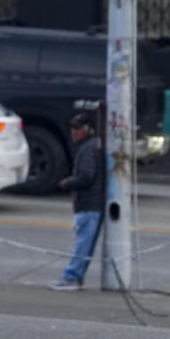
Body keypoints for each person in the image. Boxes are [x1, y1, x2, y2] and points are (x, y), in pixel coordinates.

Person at [49, 113, 105, 291]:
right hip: (92, 203)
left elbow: (86, 176)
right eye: (73, 128)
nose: (74, 132)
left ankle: (72, 277)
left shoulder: (87, 149)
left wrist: (66, 182)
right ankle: (75, 277)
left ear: (87, 130)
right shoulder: (91, 146)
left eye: (78, 129)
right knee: (85, 245)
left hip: (89, 203)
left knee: (82, 245)